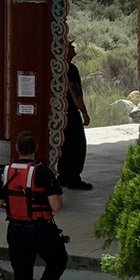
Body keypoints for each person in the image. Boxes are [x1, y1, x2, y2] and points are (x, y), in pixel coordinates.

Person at [0, 130, 67, 280]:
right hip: (40, 229)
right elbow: (56, 206)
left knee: (21, 275)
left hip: (16, 230)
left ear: (17, 148)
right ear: (36, 149)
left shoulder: (5, 171)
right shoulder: (43, 172)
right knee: (59, 260)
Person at [59, 41, 92, 189]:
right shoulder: (70, 69)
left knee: (63, 144)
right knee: (77, 144)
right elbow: (75, 93)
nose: (74, 50)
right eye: (71, 47)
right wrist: (84, 112)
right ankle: (73, 176)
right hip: (71, 112)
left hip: (58, 112)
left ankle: (63, 174)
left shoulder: (56, 68)